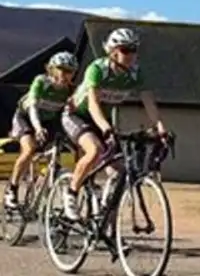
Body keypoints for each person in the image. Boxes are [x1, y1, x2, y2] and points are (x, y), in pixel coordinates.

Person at [62, 28, 167, 221]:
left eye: (134, 50)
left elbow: (148, 102)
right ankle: (71, 193)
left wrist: (159, 126)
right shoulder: (98, 69)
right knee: (94, 150)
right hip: (78, 115)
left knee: (121, 170)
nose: (131, 55)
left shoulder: (136, 73)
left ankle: (105, 216)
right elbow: (93, 104)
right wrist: (105, 127)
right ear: (112, 51)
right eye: (125, 50)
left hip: (103, 119)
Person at [5, 50, 78, 211]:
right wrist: (37, 128)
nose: (65, 75)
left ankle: (43, 183)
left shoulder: (70, 90)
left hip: (49, 121)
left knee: (56, 155)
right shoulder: (41, 82)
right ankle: (12, 189)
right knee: (29, 149)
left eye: (70, 72)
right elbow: (33, 108)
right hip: (26, 117)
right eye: (62, 69)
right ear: (52, 69)